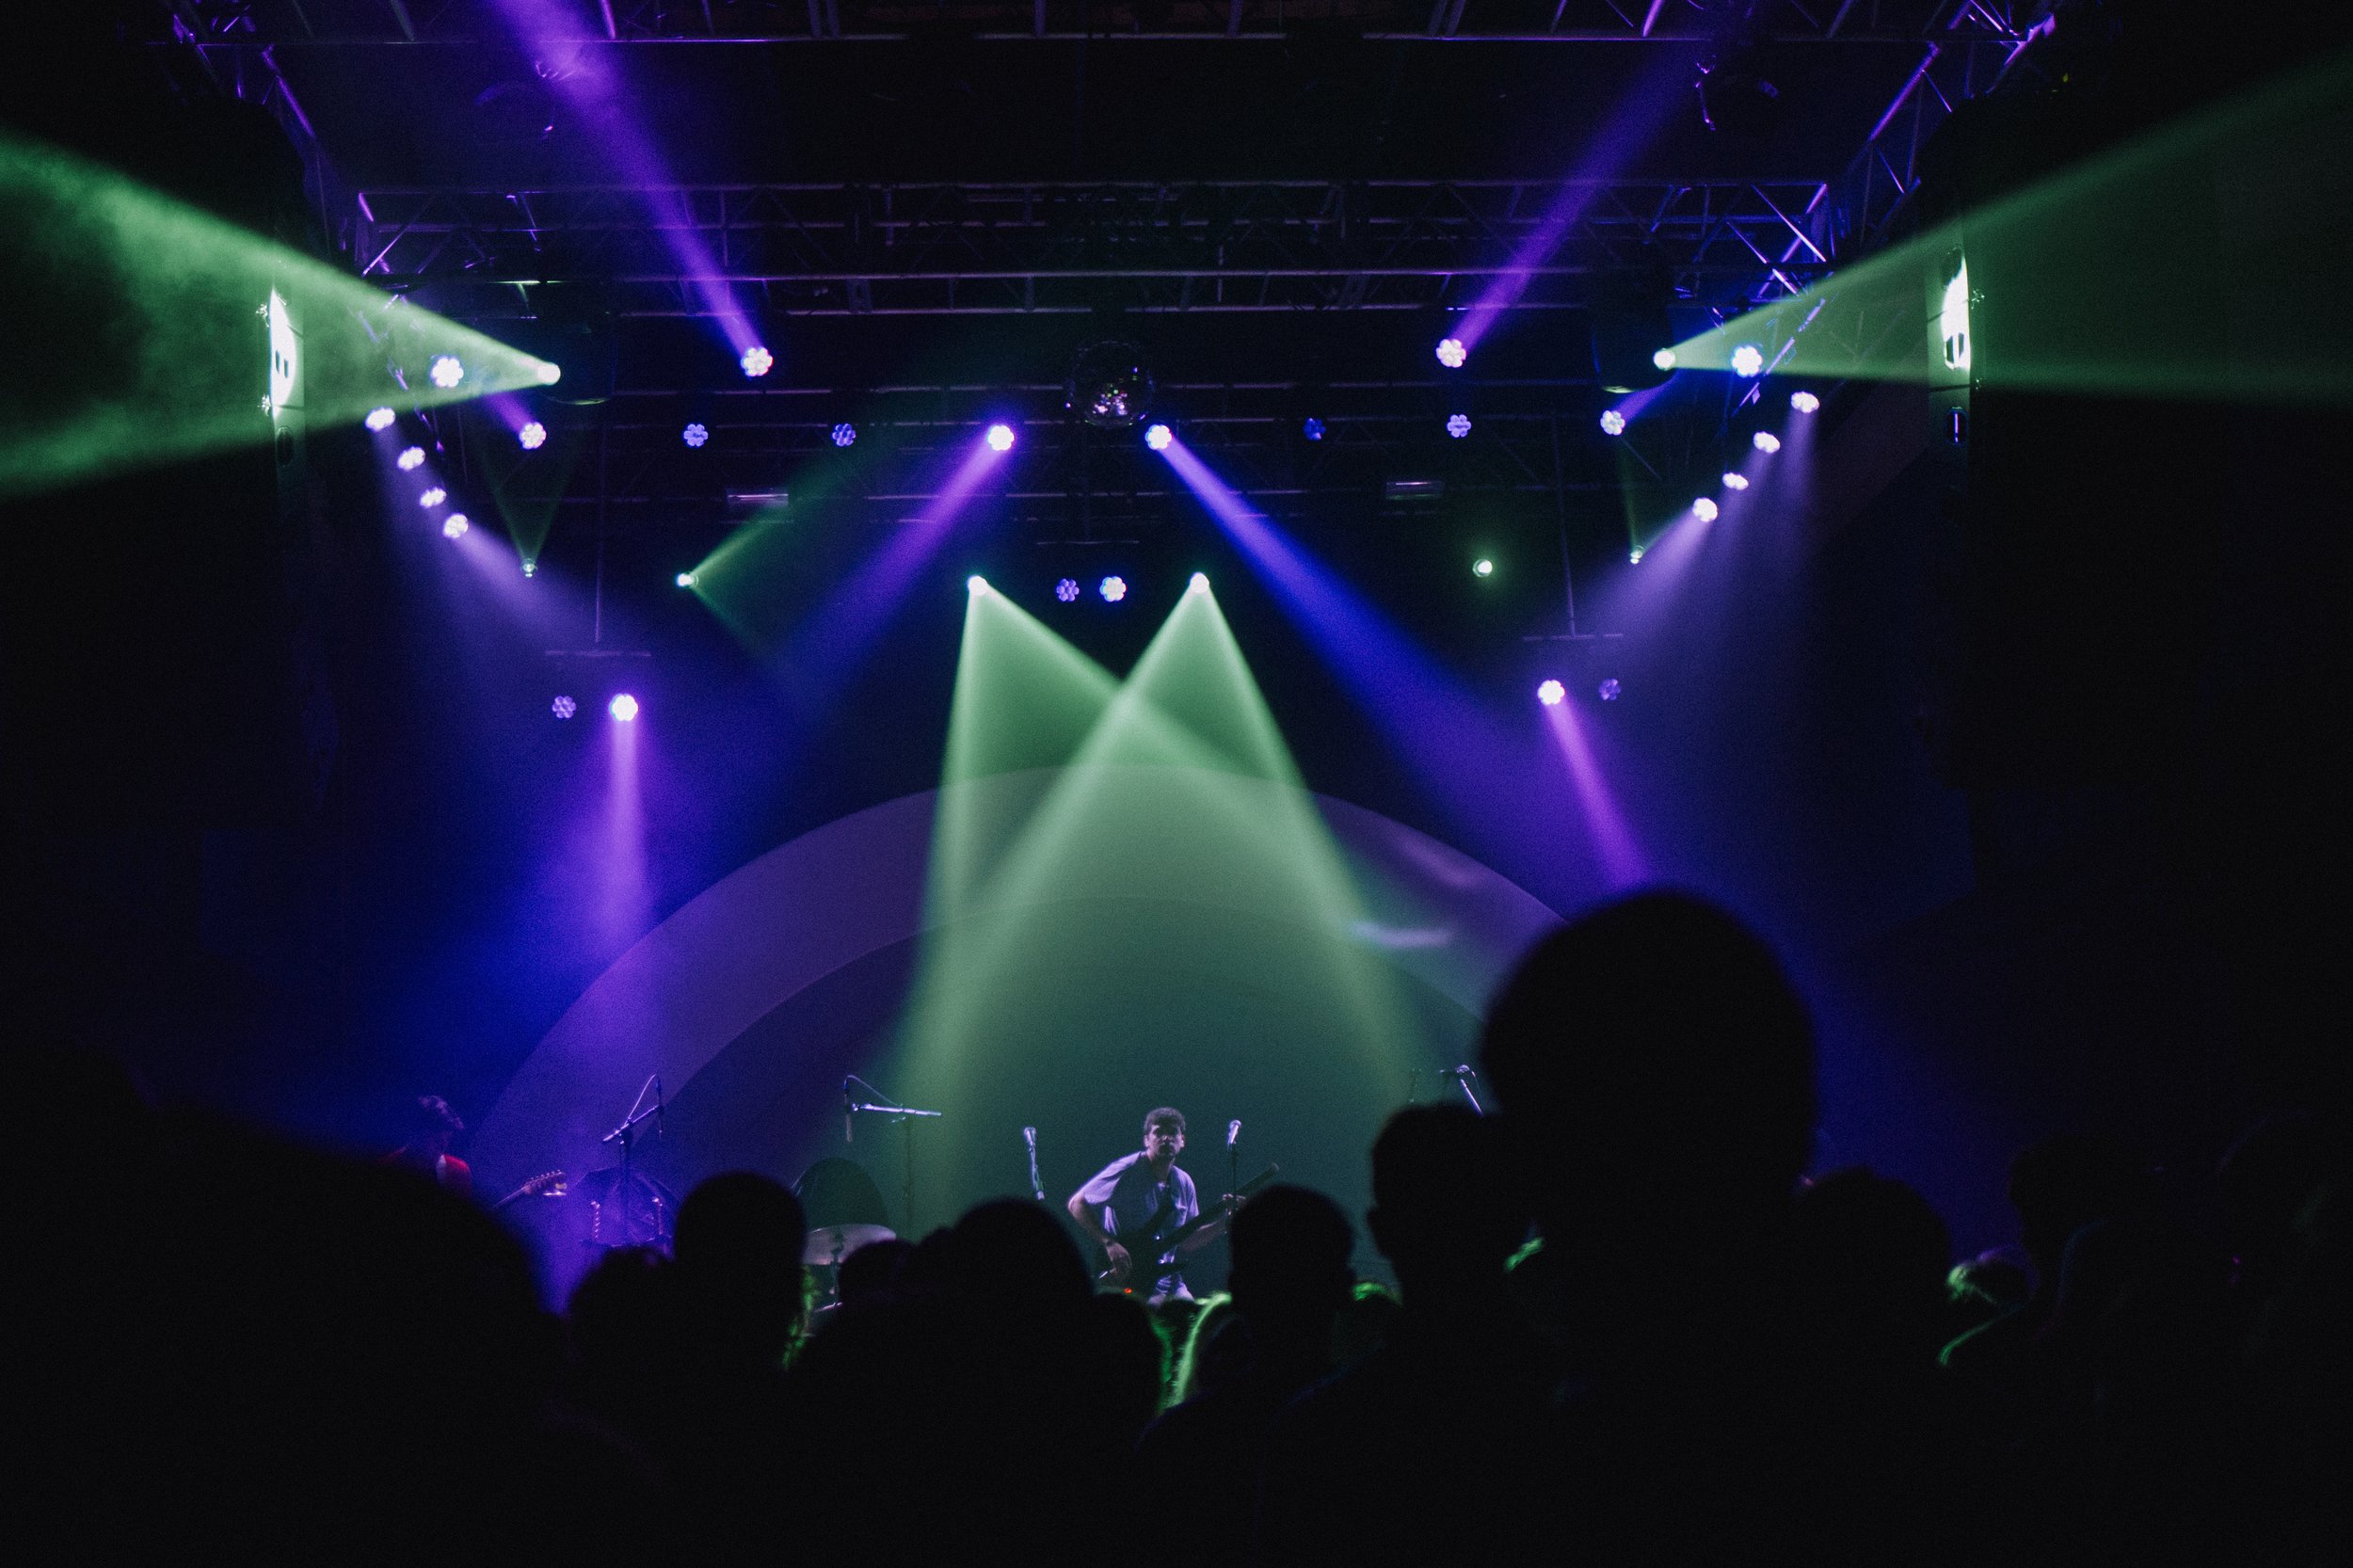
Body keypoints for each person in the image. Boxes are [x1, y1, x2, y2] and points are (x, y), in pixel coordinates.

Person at [1066, 1107, 1223, 1302]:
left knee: (1198, 1314)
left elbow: (1188, 1241)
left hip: (1168, 1280)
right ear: (1147, 1140)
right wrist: (1109, 1243)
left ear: (1182, 1140)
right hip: (1131, 1280)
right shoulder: (1128, 1169)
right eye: (1159, 1133)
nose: (1166, 1138)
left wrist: (1224, 1223)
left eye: (1173, 1133)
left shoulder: (1183, 1182)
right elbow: (1076, 1203)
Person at [382, 1093, 472, 1195]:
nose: (442, 1148)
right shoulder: (386, 1166)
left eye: (447, 1140)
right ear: (416, 1135)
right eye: (437, 1141)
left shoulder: (458, 1172)